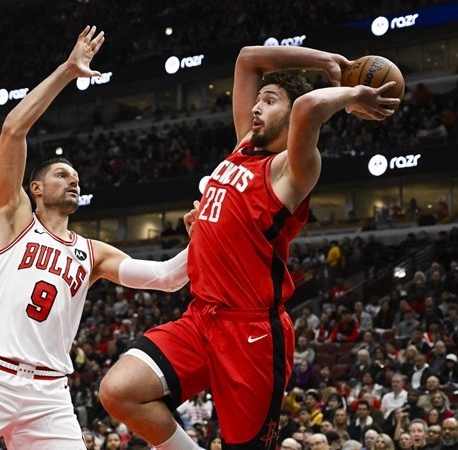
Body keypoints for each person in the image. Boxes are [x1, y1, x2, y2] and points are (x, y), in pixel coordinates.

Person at [100, 42, 398, 449]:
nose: (256, 107)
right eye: (258, 99)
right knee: (118, 391)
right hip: (201, 317)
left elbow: (310, 107)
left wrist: (352, 94)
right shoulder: (243, 145)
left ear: (290, 117)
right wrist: (324, 60)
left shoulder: (291, 171)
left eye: (270, 100)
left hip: (253, 333)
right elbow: (245, 58)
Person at [0, 27, 192, 450]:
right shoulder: (14, 219)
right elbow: (13, 130)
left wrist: (208, 234)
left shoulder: (93, 252)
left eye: (76, 177)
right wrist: (68, 71)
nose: (73, 180)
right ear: (35, 188)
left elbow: (166, 277)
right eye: (62, 174)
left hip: (48, 394)